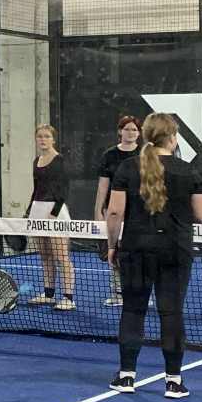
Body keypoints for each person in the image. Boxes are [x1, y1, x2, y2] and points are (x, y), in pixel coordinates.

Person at [105, 112, 202, 399]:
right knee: (171, 312)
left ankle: (126, 376)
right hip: (176, 250)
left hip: (136, 250)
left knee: (132, 309)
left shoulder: (127, 168)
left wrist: (112, 245)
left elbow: (114, 213)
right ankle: (173, 381)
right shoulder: (189, 171)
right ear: (173, 138)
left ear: (147, 135)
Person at [92, 114, 142, 307]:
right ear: (120, 131)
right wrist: (98, 210)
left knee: (136, 253)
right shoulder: (109, 155)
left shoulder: (145, 154)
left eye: (134, 129)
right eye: (127, 129)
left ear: (139, 133)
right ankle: (118, 293)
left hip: (138, 211)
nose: (131, 132)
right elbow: (103, 186)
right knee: (115, 251)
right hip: (114, 210)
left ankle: (139, 293)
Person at [28, 125, 75, 309]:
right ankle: (48, 294)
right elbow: (36, 189)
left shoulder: (60, 161)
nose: (43, 139)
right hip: (37, 211)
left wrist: (53, 214)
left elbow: (64, 191)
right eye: (39, 136)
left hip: (55, 212)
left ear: (53, 139)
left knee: (61, 257)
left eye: (47, 136)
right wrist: (29, 212)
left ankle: (68, 298)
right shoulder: (36, 161)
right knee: (45, 256)